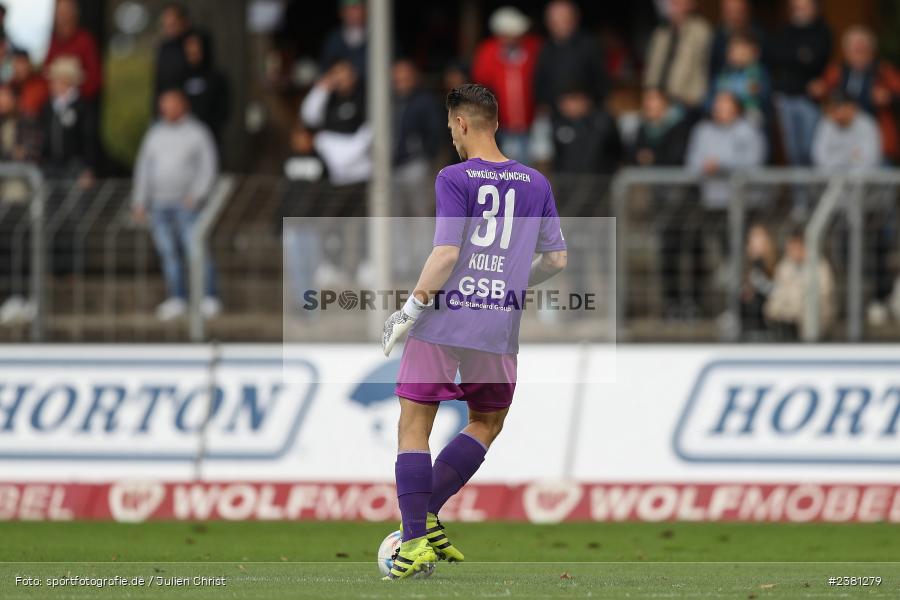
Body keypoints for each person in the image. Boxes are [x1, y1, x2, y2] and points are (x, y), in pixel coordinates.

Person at [380, 83, 566, 578]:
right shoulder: (535, 182)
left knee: (414, 423)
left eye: (451, 129)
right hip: (497, 322)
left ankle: (414, 538)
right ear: (496, 123)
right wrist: (509, 279)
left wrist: (409, 311)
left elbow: (446, 253)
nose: (452, 138)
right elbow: (556, 259)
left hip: (444, 317)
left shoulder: (452, 176)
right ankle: (428, 518)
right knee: (486, 421)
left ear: (461, 124)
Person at [131, 89, 220, 321]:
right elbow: (143, 168)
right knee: (168, 253)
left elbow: (208, 167)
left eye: (171, 104)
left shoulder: (198, 132)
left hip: (186, 204)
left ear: (183, 105)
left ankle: (208, 296)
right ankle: (177, 297)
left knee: (195, 249)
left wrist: (197, 195)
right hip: (159, 203)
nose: (166, 109)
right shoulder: (155, 133)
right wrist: (140, 200)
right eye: (163, 105)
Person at [811, 26, 900, 162]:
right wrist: (820, 91)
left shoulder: (883, 71)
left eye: (863, 50)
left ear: (871, 51)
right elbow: (823, 93)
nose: (859, 55)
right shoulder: (836, 71)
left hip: (873, 126)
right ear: (846, 52)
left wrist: (889, 97)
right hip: (841, 126)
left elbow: (896, 90)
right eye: (854, 50)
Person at [472, 6, 542, 162]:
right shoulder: (488, 52)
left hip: (532, 122)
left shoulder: (533, 48)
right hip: (500, 125)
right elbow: (482, 85)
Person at [769, 0, 831, 166]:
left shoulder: (823, 32)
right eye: (796, 7)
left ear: (816, 8)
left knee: (810, 150)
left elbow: (816, 59)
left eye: (804, 6)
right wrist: (801, 55)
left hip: (809, 100)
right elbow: (776, 56)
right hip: (786, 98)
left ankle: (813, 192)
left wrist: (796, 57)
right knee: (793, 153)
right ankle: (800, 193)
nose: (799, 11)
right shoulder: (784, 31)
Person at [300, 59, 370, 188]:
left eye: (344, 73)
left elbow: (371, 128)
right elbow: (309, 117)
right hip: (334, 164)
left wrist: (354, 149)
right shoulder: (328, 97)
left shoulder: (364, 95)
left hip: (360, 164)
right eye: (336, 74)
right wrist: (321, 89)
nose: (340, 78)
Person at [533, 0, 607, 113]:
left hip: (588, 115)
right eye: (555, 20)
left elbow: (602, 81)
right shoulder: (544, 49)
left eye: (564, 18)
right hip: (555, 116)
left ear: (574, 19)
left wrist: (586, 101)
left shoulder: (589, 45)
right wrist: (552, 103)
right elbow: (540, 84)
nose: (560, 24)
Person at [643, 0, 712, 118]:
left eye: (678, 2)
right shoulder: (661, 32)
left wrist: (692, 98)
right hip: (657, 99)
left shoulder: (701, 31)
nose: (674, 6)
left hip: (686, 102)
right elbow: (653, 67)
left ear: (691, 4)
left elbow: (702, 69)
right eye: (672, 3)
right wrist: (650, 93)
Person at [764, 227, 834, 340]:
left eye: (796, 246)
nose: (792, 250)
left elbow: (822, 298)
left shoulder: (820, 267)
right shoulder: (784, 266)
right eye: (791, 246)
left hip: (813, 323)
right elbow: (776, 298)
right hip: (787, 321)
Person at [39, 57, 98, 188]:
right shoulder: (48, 107)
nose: (52, 84)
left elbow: (89, 138)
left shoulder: (82, 107)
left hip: (75, 167)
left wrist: (88, 168)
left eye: (56, 80)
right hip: (51, 167)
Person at [550, 83, 622, 175]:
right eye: (562, 101)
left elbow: (617, 152)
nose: (565, 105)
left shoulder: (603, 122)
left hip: (600, 181)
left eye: (571, 100)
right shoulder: (558, 123)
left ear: (585, 101)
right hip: (566, 183)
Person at [43, 0, 102, 103]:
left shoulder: (85, 40)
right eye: (60, 11)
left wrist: (71, 89)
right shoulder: (51, 42)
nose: (63, 15)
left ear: (74, 12)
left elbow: (95, 79)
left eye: (67, 10)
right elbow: (46, 73)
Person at [708, 34, 769, 126]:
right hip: (722, 115)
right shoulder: (723, 74)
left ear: (752, 53)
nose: (737, 54)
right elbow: (710, 96)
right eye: (732, 50)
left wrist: (757, 90)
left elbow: (764, 96)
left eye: (742, 51)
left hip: (747, 116)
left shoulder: (757, 72)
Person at [811, 93, 881, 170]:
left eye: (838, 107)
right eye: (833, 109)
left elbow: (871, 159)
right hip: (831, 176)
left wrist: (837, 159)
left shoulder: (866, 124)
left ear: (851, 108)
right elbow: (819, 158)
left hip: (861, 177)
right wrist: (847, 158)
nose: (835, 113)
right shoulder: (827, 123)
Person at [182, 31, 229, 145]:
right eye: (189, 47)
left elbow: (224, 107)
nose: (192, 51)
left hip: (210, 135)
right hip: (183, 137)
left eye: (196, 47)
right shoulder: (180, 77)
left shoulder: (216, 77)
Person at [630, 88, 691, 167]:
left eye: (652, 99)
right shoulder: (643, 127)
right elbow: (633, 154)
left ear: (664, 102)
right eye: (645, 99)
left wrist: (653, 158)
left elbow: (676, 157)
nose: (647, 104)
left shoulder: (678, 127)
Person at [708, 0, 767, 81]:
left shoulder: (759, 36)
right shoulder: (717, 38)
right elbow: (713, 75)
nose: (734, 16)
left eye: (738, 11)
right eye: (730, 12)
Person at [740, 223, 777, 337]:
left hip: (770, 331)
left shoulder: (776, 267)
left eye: (759, 237)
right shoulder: (745, 268)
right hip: (747, 331)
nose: (755, 242)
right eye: (753, 237)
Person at [154, 2, 194, 106]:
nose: (169, 27)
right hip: (167, 109)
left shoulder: (192, 44)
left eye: (173, 23)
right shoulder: (164, 48)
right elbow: (158, 83)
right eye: (166, 24)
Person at [320, 0, 367, 77]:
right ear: (341, 12)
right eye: (349, 9)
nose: (353, 13)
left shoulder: (378, 36)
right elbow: (325, 68)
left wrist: (353, 73)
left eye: (356, 8)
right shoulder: (334, 38)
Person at [10, 49, 49, 119]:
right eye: (16, 63)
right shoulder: (12, 83)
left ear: (29, 64)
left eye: (23, 63)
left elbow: (29, 108)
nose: (20, 68)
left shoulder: (39, 83)